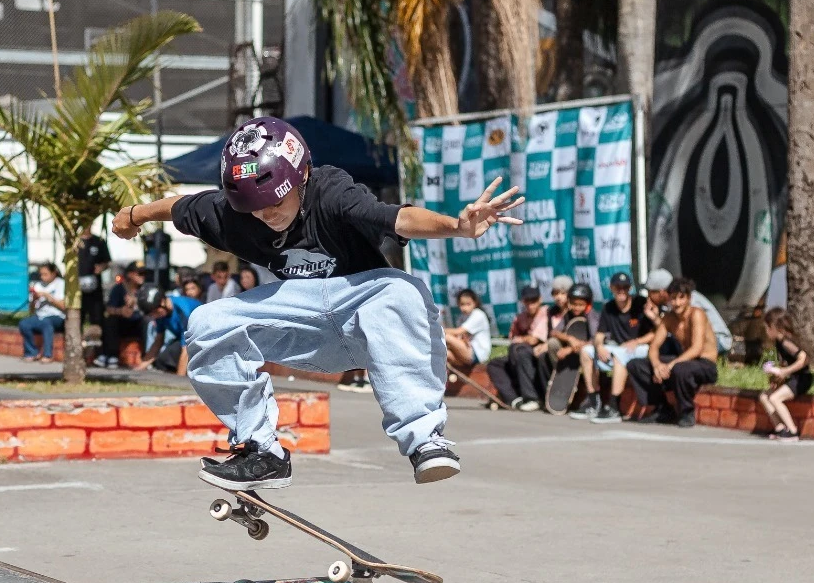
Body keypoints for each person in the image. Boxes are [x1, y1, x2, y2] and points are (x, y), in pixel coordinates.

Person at [113, 116, 522, 487]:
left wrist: (456, 226)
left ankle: (425, 440)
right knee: (207, 322)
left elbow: (398, 218)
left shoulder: (331, 190)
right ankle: (261, 451)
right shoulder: (232, 211)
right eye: (255, 208)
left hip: (362, 307)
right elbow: (181, 207)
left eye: (276, 202)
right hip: (303, 322)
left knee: (401, 289)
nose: (266, 215)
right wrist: (134, 214)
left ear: (301, 176)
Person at [626, 277, 718, 426]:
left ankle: (687, 412)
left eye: (681, 298)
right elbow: (654, 347)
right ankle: (662, 409)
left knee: (679, 369)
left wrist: (669, 365)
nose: (677, 303)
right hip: (683, 362)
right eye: (673, 299)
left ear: (689, 298)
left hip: (704, 364)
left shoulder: (697, 314)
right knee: (636, 365)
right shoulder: (669, 318)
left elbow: (697, 348)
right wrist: (657, 365)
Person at [573, 271, 655, 422]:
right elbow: (599, 335)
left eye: (625, 287)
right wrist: (599, 347)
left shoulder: (640, 303)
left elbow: (654, 334)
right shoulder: (608, 307)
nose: (621, 290)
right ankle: (593, 402)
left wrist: (636, 341)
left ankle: (614, 407)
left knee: (620, 355)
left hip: (641, 347)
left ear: (630, 288)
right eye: (618, 287)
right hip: (620, 348)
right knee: (586, 351)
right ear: (611, 288)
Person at [485, 286, 550, 410]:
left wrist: (521, 339)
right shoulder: (521, 317)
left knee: (521, 352)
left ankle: (532, 398)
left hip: (537, 353)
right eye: (527, 301)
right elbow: (512, 337)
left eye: (534, 301)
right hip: (518, 355)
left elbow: (533, 340)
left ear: (540, 300)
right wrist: (520, 339)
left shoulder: (544, 313)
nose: (530, 305)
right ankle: (514, 399)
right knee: (494, 364)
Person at [645, 268, 733, 356]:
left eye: (650, 292)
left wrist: (656, 319)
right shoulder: (670, 303)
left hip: (719, 339)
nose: (648, 296)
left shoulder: (687, 299)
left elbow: (682, 331)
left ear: (661, 292)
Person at [758, 308, 812, 441]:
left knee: (775, 398)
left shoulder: (787, 342)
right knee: (765, 396)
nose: (766, 331)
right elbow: (785, 363)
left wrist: (784, 372)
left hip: (802, 379)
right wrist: (778, 376)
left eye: (767, 328)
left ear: (776, 327)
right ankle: (780, 428)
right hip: (793, 378)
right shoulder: (779, 342)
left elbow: (804, 358)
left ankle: (793, 431)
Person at [142, 277, 203, 374]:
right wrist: (138, 369)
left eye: (154, 312)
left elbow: (185, 350)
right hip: (185, 341)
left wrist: (178, 383)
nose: (153, 316)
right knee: (162, 360)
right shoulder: (161, 313)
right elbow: (158, 342)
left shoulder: (183, 311)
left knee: (175, 354)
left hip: (202, 340)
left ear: (162, 303)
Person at [97, 262, 148, 368]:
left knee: (147, 321)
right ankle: (111, 355)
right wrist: (121, 311)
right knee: (110, 320)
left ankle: (146, 356)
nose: (142, 276)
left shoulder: (146, 289)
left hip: (140, 322)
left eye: (144, 273)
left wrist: (136, 302)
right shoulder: (119, 289)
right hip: (123, 323)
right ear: (130, 274)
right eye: (139, 273)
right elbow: (109, 308)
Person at [20, 262, 66, 363]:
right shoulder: (38, 285)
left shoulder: (60, 284)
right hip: (40, 316)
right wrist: (34, 299)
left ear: (53, 273)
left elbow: (63, 306)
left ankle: (48, 354)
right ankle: (31, 352)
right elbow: (32, 310)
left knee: (46, 323)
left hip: (57, 317)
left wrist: (48, 297)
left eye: (45, 274)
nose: (42, 277)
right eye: (41, 274)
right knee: (24, 324)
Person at [443, 288, 491, 371]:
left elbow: (458, 331)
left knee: (447, 337)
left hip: (478, 354)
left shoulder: (478, 314)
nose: (465, 308)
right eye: (462, 304)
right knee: (443, 353)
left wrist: (436, 330)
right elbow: (459, 336)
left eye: (468, 304)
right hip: (466, 351)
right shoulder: (461, 318)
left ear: (475, 303)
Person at [76, 224, 111, 330]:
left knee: (97, 317)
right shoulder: (74, 242)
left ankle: (97, 344)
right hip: (77, 289)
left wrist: (101, 267)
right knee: (78, 318)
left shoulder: (99, 241)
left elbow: (107, 262)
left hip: (95, 288)